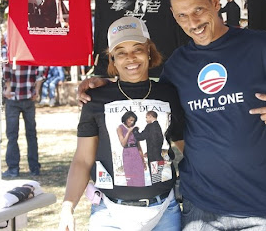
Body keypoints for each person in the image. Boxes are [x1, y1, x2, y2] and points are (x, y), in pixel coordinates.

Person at [78, 0, 266, 230]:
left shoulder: (260, 46)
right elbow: (148, 96)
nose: (193, 22)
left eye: (198, 10)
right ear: (174, 17)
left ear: (215, 2)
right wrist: (104, 87)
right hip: (201, 208)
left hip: (262, 206)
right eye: (183, 15)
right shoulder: (177, 66)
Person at [59, 16, 184, 231]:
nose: (131, 58)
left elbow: (187, 146)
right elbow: (82, 159)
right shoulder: (95, 99)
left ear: (149, 52)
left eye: (137, 49)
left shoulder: (169, 94)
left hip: (165, 210)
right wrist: (67, 207)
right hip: (110, 214)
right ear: (113, 61)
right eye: (121, 53)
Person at [2, 62, 41, 177]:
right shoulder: (32, 49)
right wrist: (37, 90)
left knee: (12, 135)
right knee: (31, 134)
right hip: (29, 96)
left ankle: (13, 168)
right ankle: (34, 168)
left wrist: (8, 88)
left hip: (13, 97)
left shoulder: (10, 47)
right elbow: (40, 71)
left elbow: (6, 70)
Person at [118, 111, 146, 187]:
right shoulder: (120, 128)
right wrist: (129, 132)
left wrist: (143, 161)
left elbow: (139, 146)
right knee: (130, 176)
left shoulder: (134, 129)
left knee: (140, 175)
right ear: (125, 119)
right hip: (127, 152)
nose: (131, 122)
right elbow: (123, 143)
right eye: (130, 120)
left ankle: (141, 192)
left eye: (133, 120)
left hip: (136, 152)